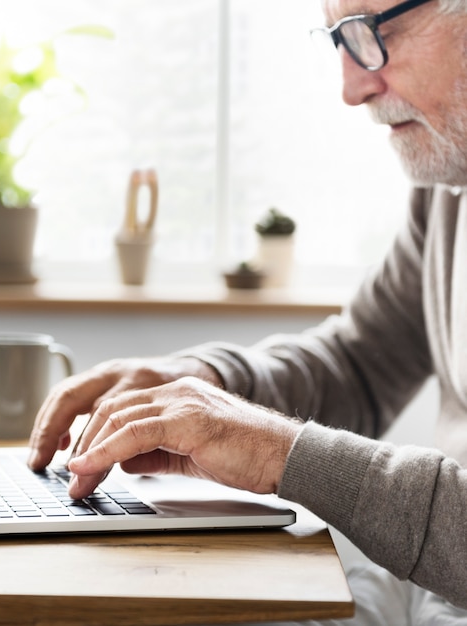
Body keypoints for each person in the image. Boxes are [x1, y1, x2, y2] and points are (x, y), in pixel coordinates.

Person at [28, 0, 467, 622]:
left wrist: (280, 454)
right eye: (338, 38)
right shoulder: (451, 185)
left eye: (376, 30)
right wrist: (204, 387)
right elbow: (360, 362)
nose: (351, 87)